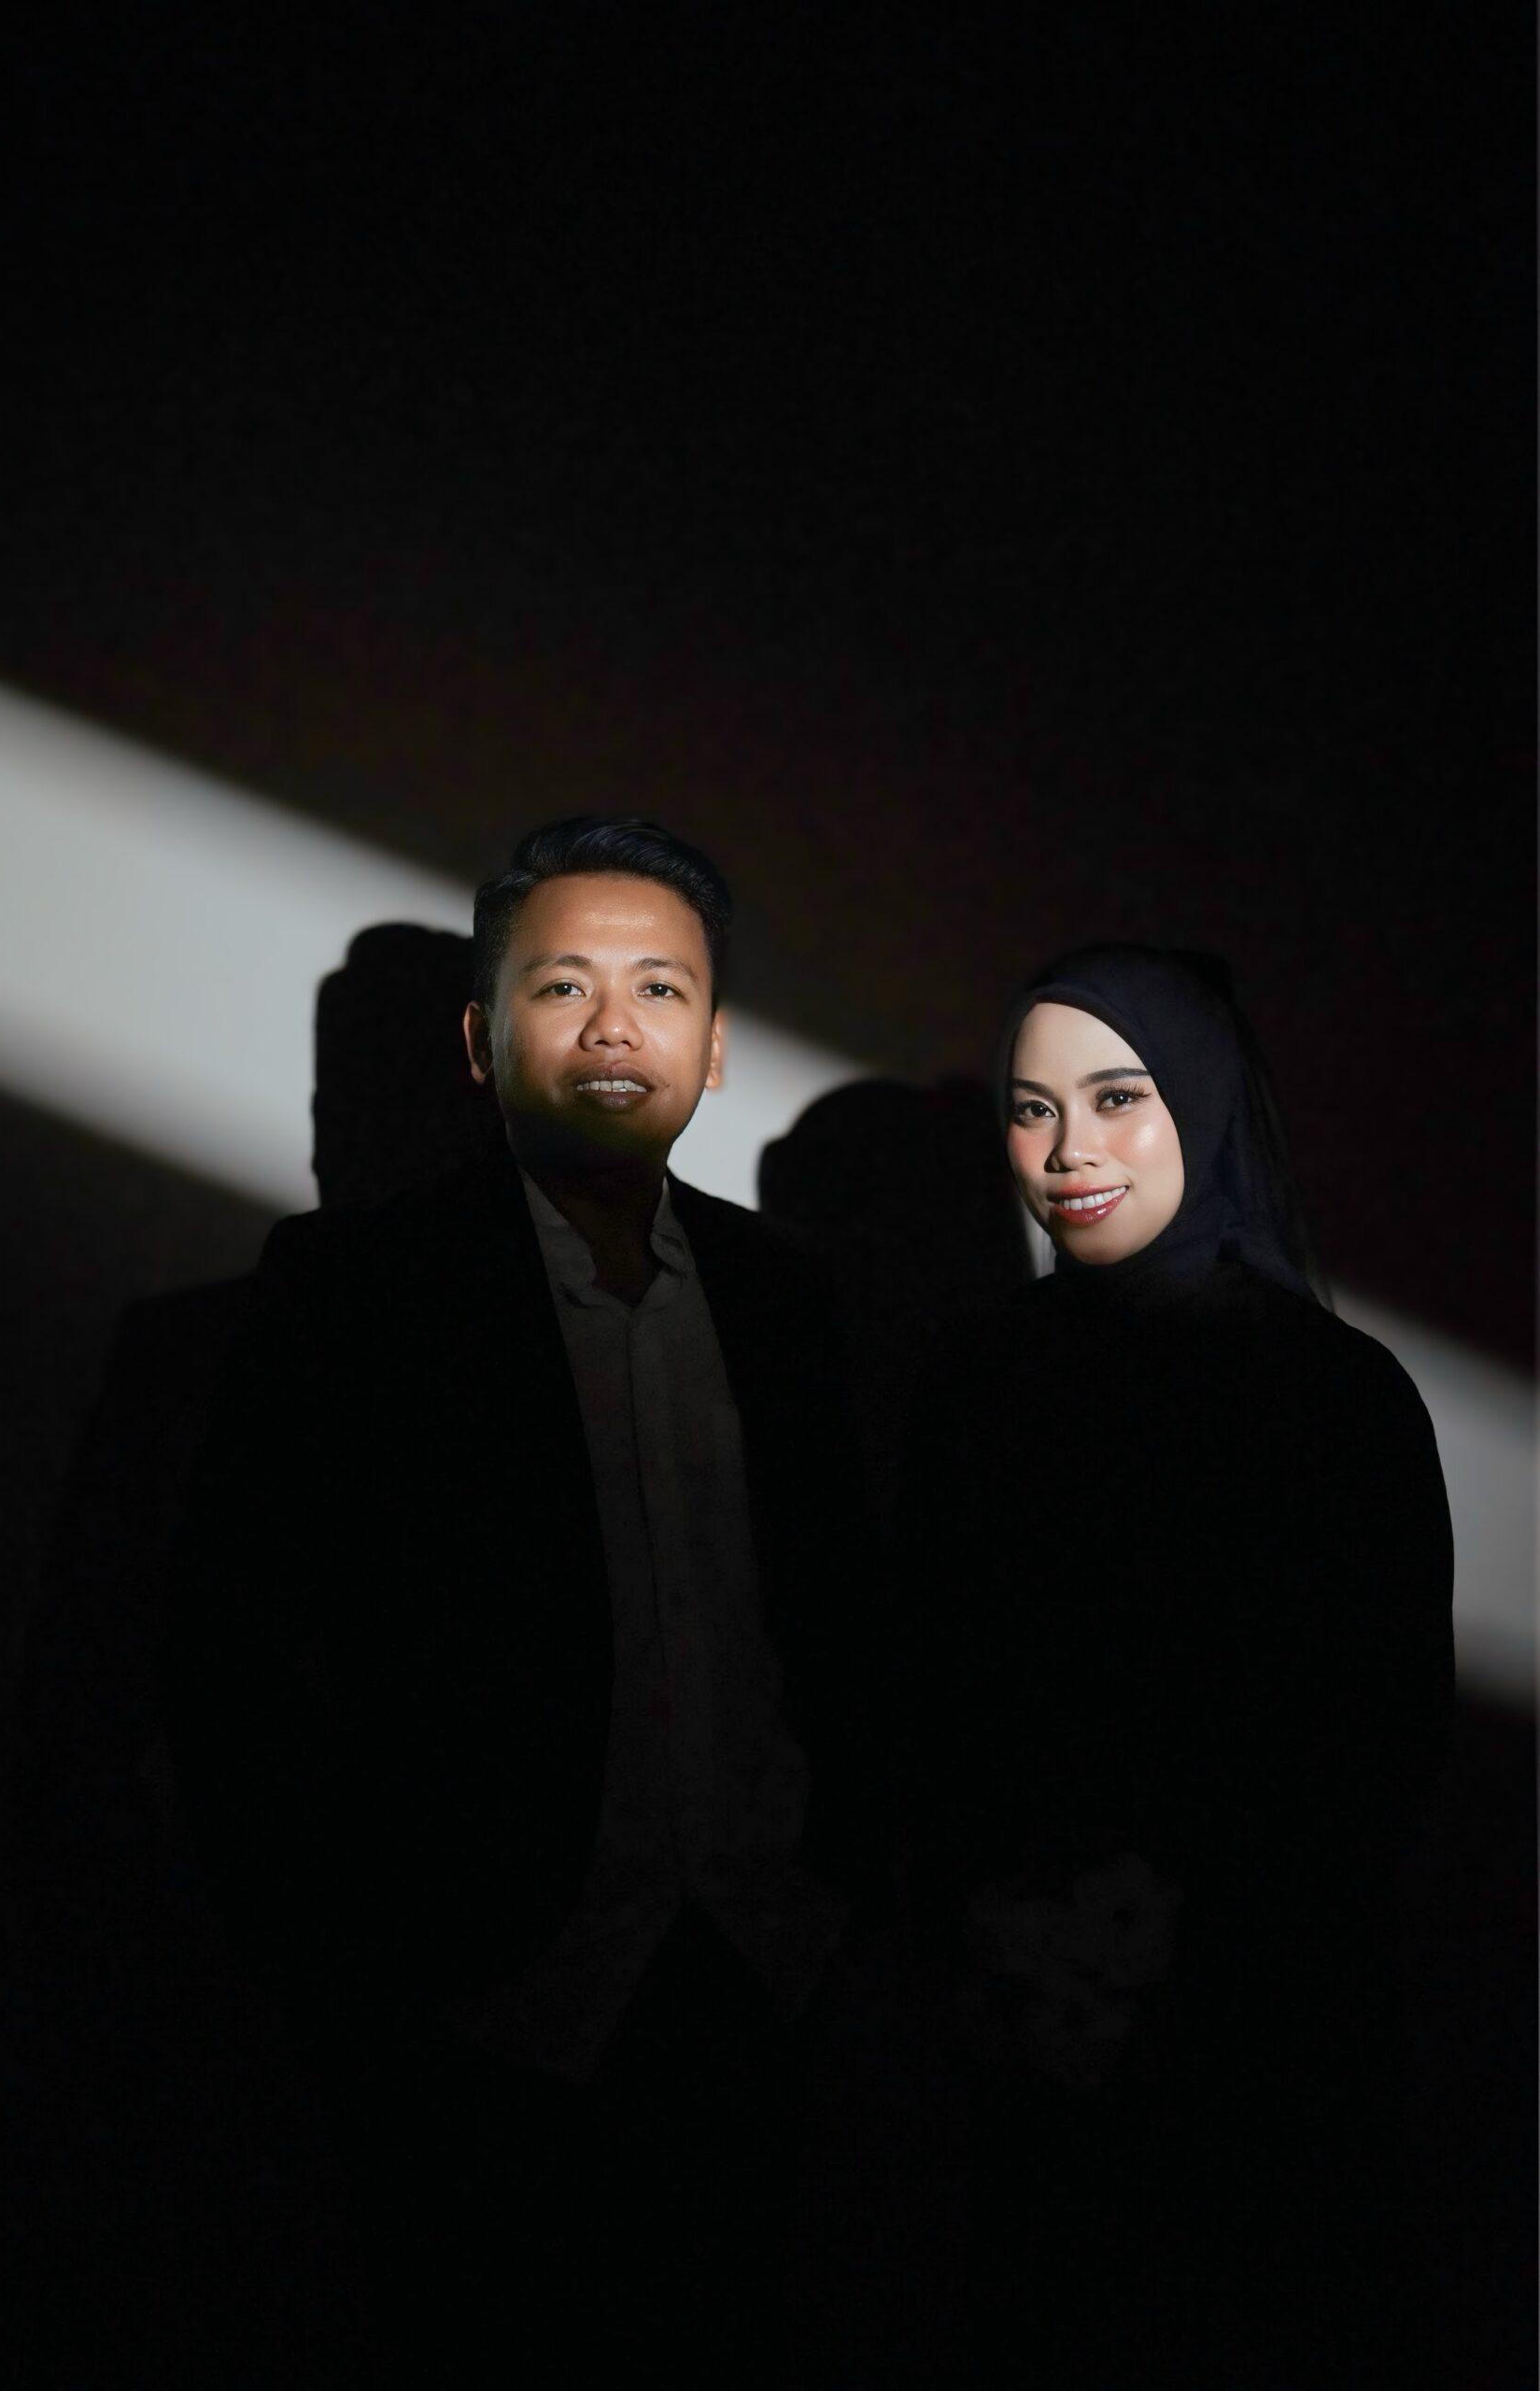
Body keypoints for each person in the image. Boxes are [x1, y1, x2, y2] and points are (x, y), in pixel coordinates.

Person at [165, 820, 877, 2386]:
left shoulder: (789, 1299)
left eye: (659, 989)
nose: (616, 1028)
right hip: (476, 2015)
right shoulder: (348, 1298)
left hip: (759, 1989)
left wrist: (835, 1911)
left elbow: (849, 1636)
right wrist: (360, 1983)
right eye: (564, 987)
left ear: (716, 1044)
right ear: (483, 1046)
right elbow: (233, 1677)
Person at [902, 944, 1455, 2388]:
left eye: (1116, 1097)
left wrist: (1162, 1936)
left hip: (1263, 2047)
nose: (1065, 1152)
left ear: (1202, 1105)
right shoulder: (972, 1382)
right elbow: (906, 1693)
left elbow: (1382, 1749)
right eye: (1031, 1109)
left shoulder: (1332, 1400)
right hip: (1006, 2030)